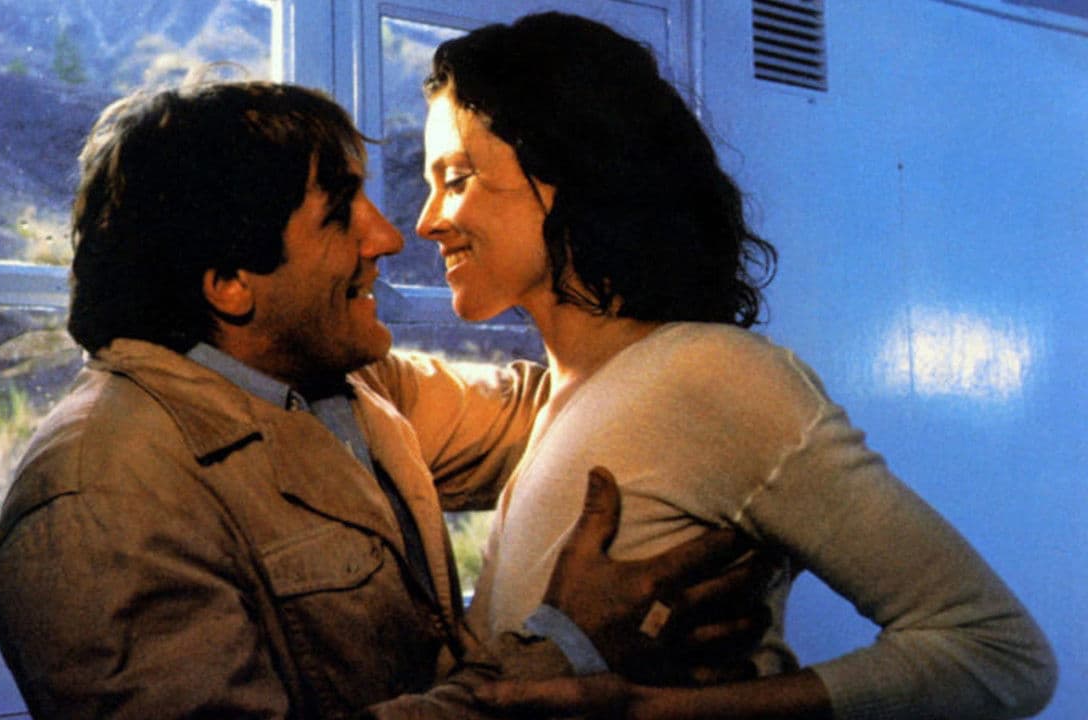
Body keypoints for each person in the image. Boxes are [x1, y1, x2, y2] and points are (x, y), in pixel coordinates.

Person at [0, 80, 766, 720]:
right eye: (340, 216)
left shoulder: (347, 388)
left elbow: (577, 405)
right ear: (229, 284)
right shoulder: (100, 501)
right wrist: (563, 647)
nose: (389, 238)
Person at [413, 11, 1057, 719]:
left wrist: (661, 712)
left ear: (572, 168)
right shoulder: (560, 401)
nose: (426, 220)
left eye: (457, 178)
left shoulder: (711, 375)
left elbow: (998, 651)